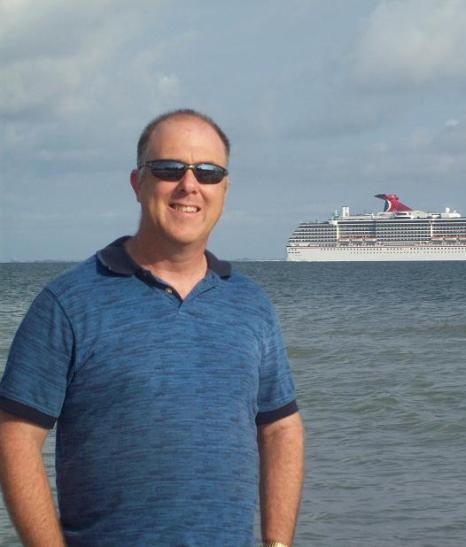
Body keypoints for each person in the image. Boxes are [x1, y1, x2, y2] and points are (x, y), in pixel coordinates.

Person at [0, 109, 304, 546]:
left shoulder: (251, 304)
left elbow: (280, 428)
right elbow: (14, 436)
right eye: (169, 169)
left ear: (224, 188)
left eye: (209, 172)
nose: (189, 185)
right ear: (137, 183)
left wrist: (277, 543)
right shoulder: (67, 303)